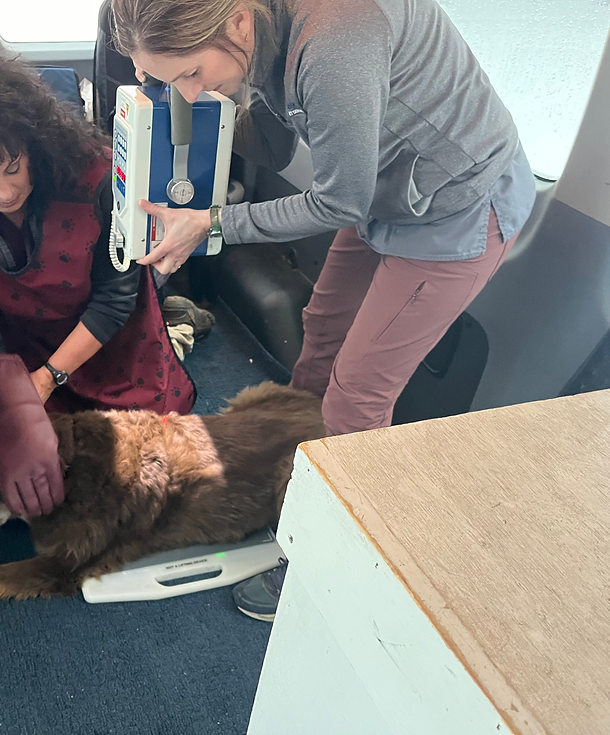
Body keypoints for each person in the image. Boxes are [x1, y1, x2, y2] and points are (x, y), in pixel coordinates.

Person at [111, 0, 536, 620]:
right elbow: (276, 142)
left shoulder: (336, 37)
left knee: (357, 396)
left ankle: (324, 558)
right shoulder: (261, 29)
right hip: (389, 195)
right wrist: (176, 116)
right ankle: (297, 486)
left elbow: (339, 200)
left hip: (455, 207)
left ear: (236, 23)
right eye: (171, 79)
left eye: (192, 73)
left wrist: (214, 224)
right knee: (321, 337)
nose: (188, 91)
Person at [0, 48, 196, 520]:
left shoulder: (99, 179)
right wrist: (12, 407)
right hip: (26, 344)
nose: (5, 192)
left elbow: (115, 300)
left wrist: (47, 378)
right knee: (31, 448)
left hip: (111, 341)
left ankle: (173, 315)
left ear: (34, 145)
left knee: (137, 459)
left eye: (12, 168)